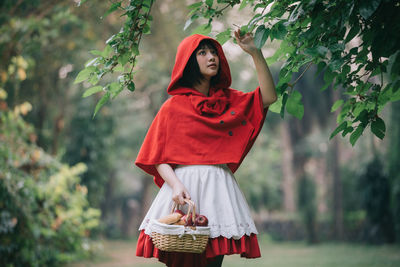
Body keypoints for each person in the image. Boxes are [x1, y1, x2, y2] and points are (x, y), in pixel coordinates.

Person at [135, 29, 277, 267]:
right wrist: (176, 185)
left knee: (213, 263)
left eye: (214, 52)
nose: (211, 57)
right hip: (184, 190)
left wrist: (255, 53)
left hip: (217, 191)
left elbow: (269, 96)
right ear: (189, 61)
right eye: (202, 52)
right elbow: (158, 157)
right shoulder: (172, 108)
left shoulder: (229, 101)